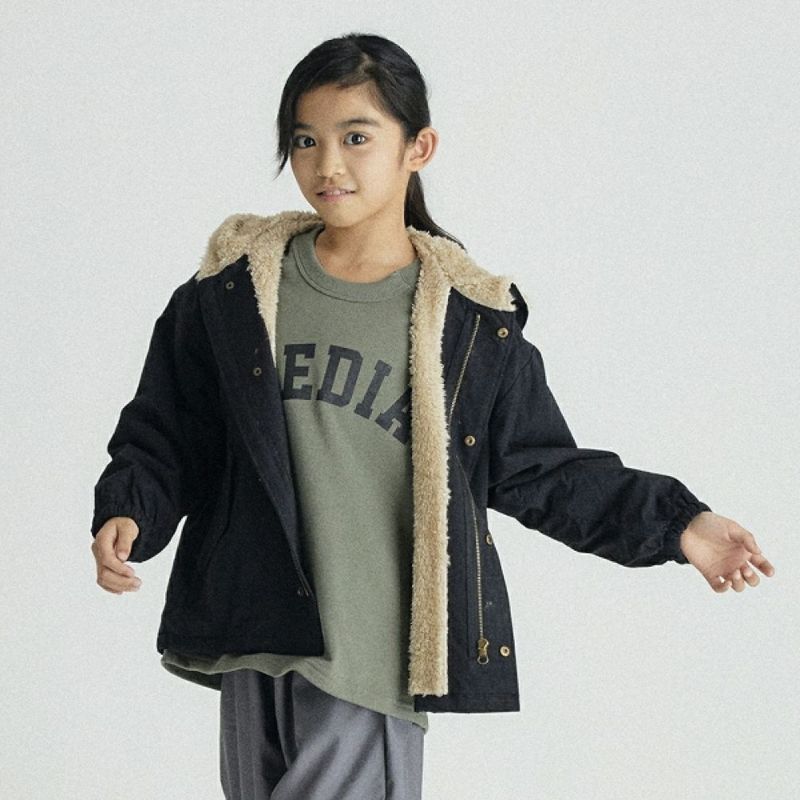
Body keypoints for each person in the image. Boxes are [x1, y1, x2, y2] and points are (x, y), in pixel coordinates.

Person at [89, 32, 775, 800]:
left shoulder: (467, 323)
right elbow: (169, 429)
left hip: (367, 659)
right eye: (306, 140)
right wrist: (130, 508)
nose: (327, 164)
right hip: (253, 637)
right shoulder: (233, 291)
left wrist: (677, 524)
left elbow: (541, 468)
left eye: (356, 138)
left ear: (418, 148)